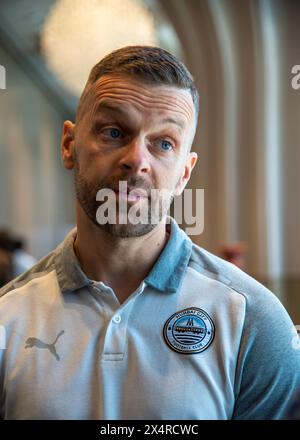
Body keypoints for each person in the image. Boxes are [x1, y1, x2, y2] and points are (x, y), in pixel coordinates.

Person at [0, 45, 299, 420]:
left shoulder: (253, 321)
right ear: (69, 145)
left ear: (184, 174)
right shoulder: (7, 316)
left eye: (163, 143)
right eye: (114, 132)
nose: (137, 161)